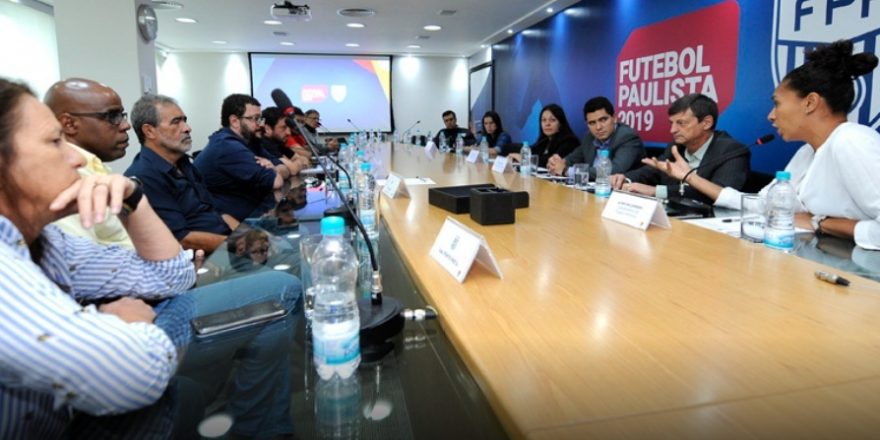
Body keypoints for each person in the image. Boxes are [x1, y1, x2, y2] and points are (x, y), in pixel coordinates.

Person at [0, 78, 196, 437]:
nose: (75, 158)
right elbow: (132, 373)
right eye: (55, 142)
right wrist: (121, 325)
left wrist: (133, 200)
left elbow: (176, 277)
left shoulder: (48, 239)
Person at [644, 41, 880, 249]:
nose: (771, 116)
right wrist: (690, 177)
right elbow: (760, 206)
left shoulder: (852, 141)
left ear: (810, 102)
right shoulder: (807, 152)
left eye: (777, 104)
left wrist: (823, 223)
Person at [126, 94, 237, 253]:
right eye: (176, 122)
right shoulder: (144, 177)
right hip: (202, 262)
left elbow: (214, 212)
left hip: (225, 248)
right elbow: (181, 238)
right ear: (149, 131)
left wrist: (245, 235)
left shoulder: (185, 163)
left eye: (184, 120)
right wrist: (238, 244)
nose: (187, 128)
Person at [43, 78, 135, 249]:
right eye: (112, 116)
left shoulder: (95, 165)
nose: (126, 125)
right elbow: (85, 266)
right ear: (69, 124)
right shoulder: (64, 179)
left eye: (122, 116)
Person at [611, 93, 750, 204]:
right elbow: (653, 171)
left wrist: (656, 191)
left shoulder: (732, 151)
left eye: (681, 123)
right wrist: (625, 179)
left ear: (706, 123)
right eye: (671, 123)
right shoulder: (676, 146)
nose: (672, 130)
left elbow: (718, 196)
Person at [194, 94, 287, 221]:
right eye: (255, 119)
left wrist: (274, 169)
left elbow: (285, 168)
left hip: (254, 214)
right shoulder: (226, 146)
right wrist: (275, 171)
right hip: (232, 226)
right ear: (235, 121)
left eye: (260, 119)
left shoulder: (251, 141)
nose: (260, 125)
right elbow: (276, 182)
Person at [547, 96, 645, 179]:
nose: (598, 127)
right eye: (592, 123)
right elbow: (571, 159)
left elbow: (612, 171)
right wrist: (555, 164)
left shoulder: (627, 137)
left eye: (603, 120)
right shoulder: (589, 137)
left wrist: (566, 171)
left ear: (614, 118)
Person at [512, 104, 579, 168]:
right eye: (544, 120)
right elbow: (532, 151)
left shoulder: (570, 142)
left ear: (560, 123)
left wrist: (525, 159)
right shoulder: (545, 141)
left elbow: (549, 162)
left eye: (552, 120)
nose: (547, 124)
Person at [261, 106, 311, 174]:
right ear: (268, 128)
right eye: (283, 127)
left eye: (288, 127)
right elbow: (293, 169)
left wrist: (294, 163)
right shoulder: (264, 143)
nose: (288, 132)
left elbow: (304, 160)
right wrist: (296, 164)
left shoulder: (279, 143)